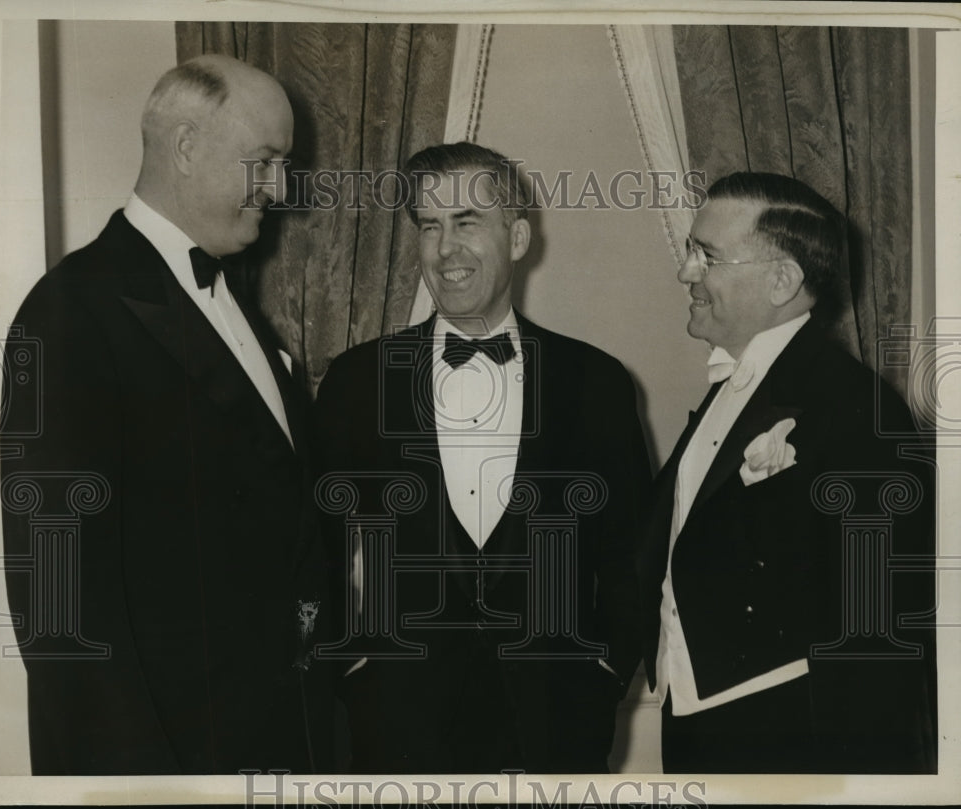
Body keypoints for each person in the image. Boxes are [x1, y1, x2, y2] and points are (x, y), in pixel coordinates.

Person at [0, 55, 332, 775]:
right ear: (185, 148)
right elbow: (60, 604)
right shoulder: (72, 309)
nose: (280, 188)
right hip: (166, 760)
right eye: (266, 161)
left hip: (274, 740)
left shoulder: (233, 302)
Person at [313, 142, 651, 774]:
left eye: (467, 222)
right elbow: (315, 547)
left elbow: (630, 552)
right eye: (430, 227)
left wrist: (603, 668)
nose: (446, 249)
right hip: (396, 724)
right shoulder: (358, 381)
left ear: (518, 237)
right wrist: (348, 663)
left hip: (556, 722)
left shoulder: (594, 381)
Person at [638, 172, 936, 773]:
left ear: (783, 280)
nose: (686, 272)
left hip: (796, 739)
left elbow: (877, 627)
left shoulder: (856, 408)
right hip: (698, 720)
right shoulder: (733, 389)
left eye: (707, 256)